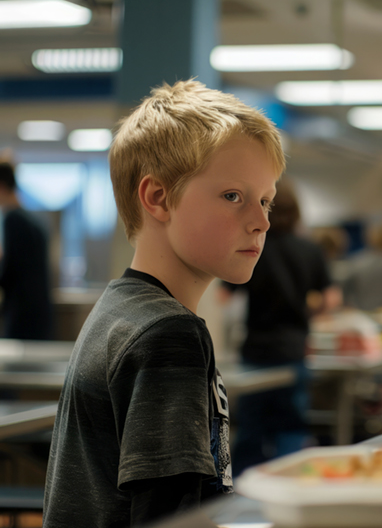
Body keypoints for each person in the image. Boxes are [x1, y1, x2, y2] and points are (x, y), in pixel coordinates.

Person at [43, 80, 284, 527]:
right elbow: (169, 518)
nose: (261, 221)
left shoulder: (121, 308)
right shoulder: (168, 333)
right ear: (157, 198)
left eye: (266, 200)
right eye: (234, 196)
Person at [220, 179, 339, 476]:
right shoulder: (309, 250)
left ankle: (240, 496)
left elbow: (224, 296)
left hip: (256, 351)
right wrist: (306, 310)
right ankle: (289, 484)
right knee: (291, 426)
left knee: (251, 427)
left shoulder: (250, 248)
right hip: (293, 349)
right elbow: (331, 298)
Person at [0, 160, 54, 340]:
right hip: (40, 317)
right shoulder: (33, 223)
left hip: (21, 318)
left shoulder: (12, 220)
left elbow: (9, 273)